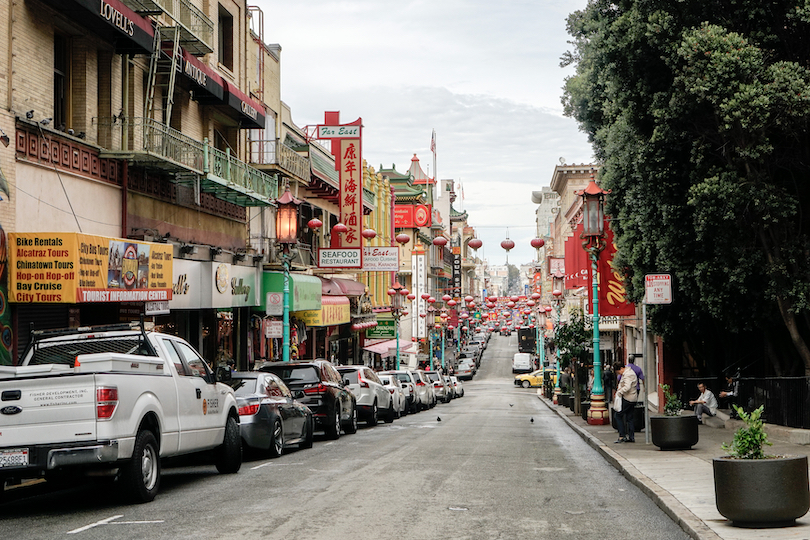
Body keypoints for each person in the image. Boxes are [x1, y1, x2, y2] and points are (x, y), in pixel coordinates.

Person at [613, 361, 638, 443]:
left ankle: (622, 436)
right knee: (629, 418)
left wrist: (619, 392)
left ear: (621, 368)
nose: (619, 374)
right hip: (632, 398)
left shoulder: (628, 374)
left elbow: (627, 387)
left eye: (618, 372)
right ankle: (631, 437)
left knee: (618, 415)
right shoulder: (628, 372)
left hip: (628, 398)